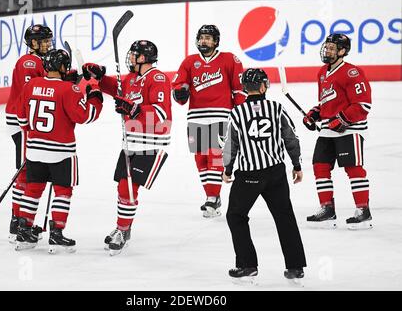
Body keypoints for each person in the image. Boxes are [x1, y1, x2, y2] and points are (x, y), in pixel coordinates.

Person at [84, 40, 172, 255]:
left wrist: (133, 109)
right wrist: (99, 76)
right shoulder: (131, 79)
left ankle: (122, 230)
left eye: (134, 55)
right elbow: (114, 88)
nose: (131, 58)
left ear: (144, 58)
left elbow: (161, 115)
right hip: (130, 142)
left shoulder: (157, 78)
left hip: (151, 143)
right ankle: (124, 227)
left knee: (128, 188)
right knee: (123, 187)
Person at [14, 49, 103, 252]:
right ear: (63, 67)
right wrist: (94, 94)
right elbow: (85, 116)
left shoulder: (31, 85)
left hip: (34, 150)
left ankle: (24, 230)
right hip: (61, 152)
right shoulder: (68, 90)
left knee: (33, 189)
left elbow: (21, 120)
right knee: (63, 192)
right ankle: (56, 233)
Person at [223, 68, 306, 284]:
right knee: (284, 216)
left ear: (244, 88)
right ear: (263, 86)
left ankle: (247, 265)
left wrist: (228, 169)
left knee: (236, 216)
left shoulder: (237, 113)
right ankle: (295, 266)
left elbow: (230, 146)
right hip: (276, 173)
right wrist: (296, 165)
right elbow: (291, 139)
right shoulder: (277, 108)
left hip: (249, 175)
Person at [172, 24, 246, 218]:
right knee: (201, 159)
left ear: (216, 41)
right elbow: (179, 90)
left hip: (221, 114)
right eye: (201, 37)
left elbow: (239, 88)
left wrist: (241, 111)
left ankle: (212, 198)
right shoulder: (189, 62)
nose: (203, 41)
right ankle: (212, 196)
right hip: (196, 115)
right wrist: (179, 91)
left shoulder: (229, 59)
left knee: (214, 155)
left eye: (208, 38)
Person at [304, 33, 372, 230]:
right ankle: (327, 209)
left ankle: (363, 210)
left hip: (350, 130)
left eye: (333, 48)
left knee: (354, 169)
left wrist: (341, 119)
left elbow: (363, 105)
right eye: (327, 46)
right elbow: (327, 103)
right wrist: (315, 114)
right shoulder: (322, 73)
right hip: (327, 131)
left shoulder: (352, 73)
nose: (328, 50)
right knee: (320, 166)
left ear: (343, 51)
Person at [5, 24, 53, 243]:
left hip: (27, 119)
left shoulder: (39, 61)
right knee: (25, 171)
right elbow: (31, 93)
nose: (48, 45)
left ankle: (19, 218)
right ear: (33, 43)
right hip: (22, 120)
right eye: (44, 41)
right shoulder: (29, 62)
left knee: (27, 168)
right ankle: (17, 220)